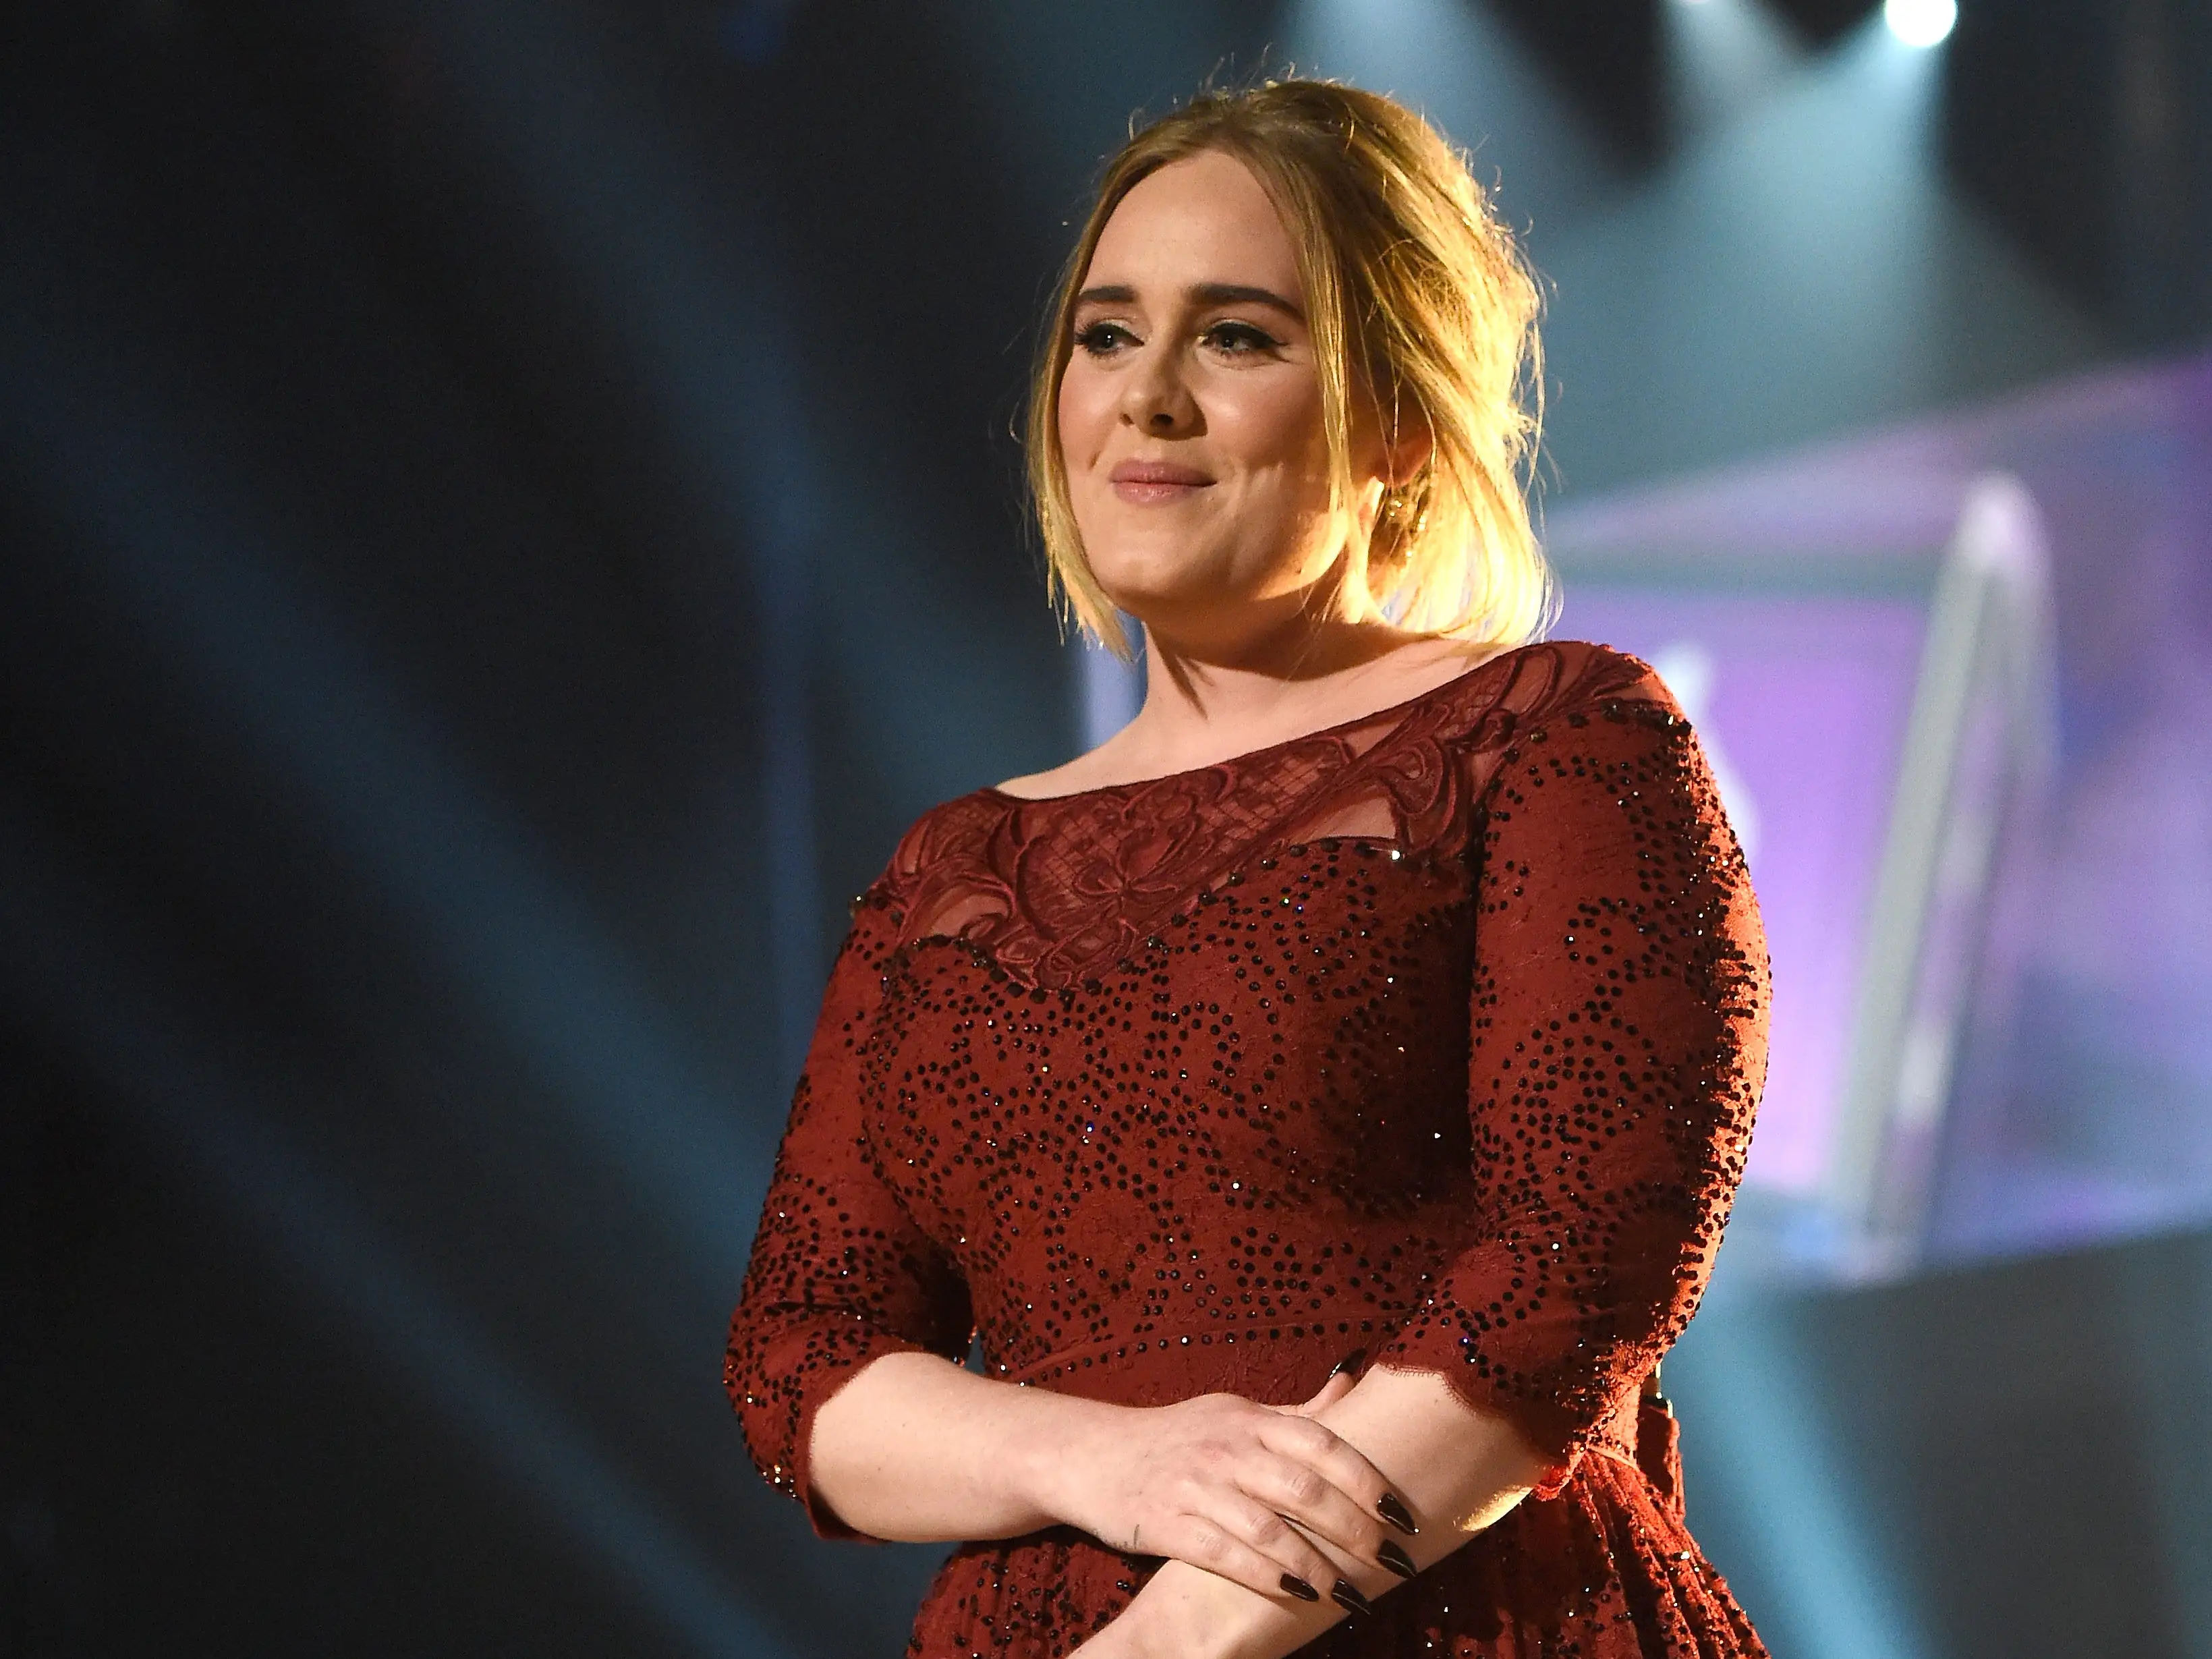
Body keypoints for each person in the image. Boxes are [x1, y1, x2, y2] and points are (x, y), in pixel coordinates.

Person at [726, 79, 1770, 1659]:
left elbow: (1582, 1268)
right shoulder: (950, 866)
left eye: (1235, 336)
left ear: (1402, 416)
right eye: (1104, 333)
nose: (1145, 396)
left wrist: (1174, 1638)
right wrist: (1109, 1457)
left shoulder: (1556, 733)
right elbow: (804, 1360)